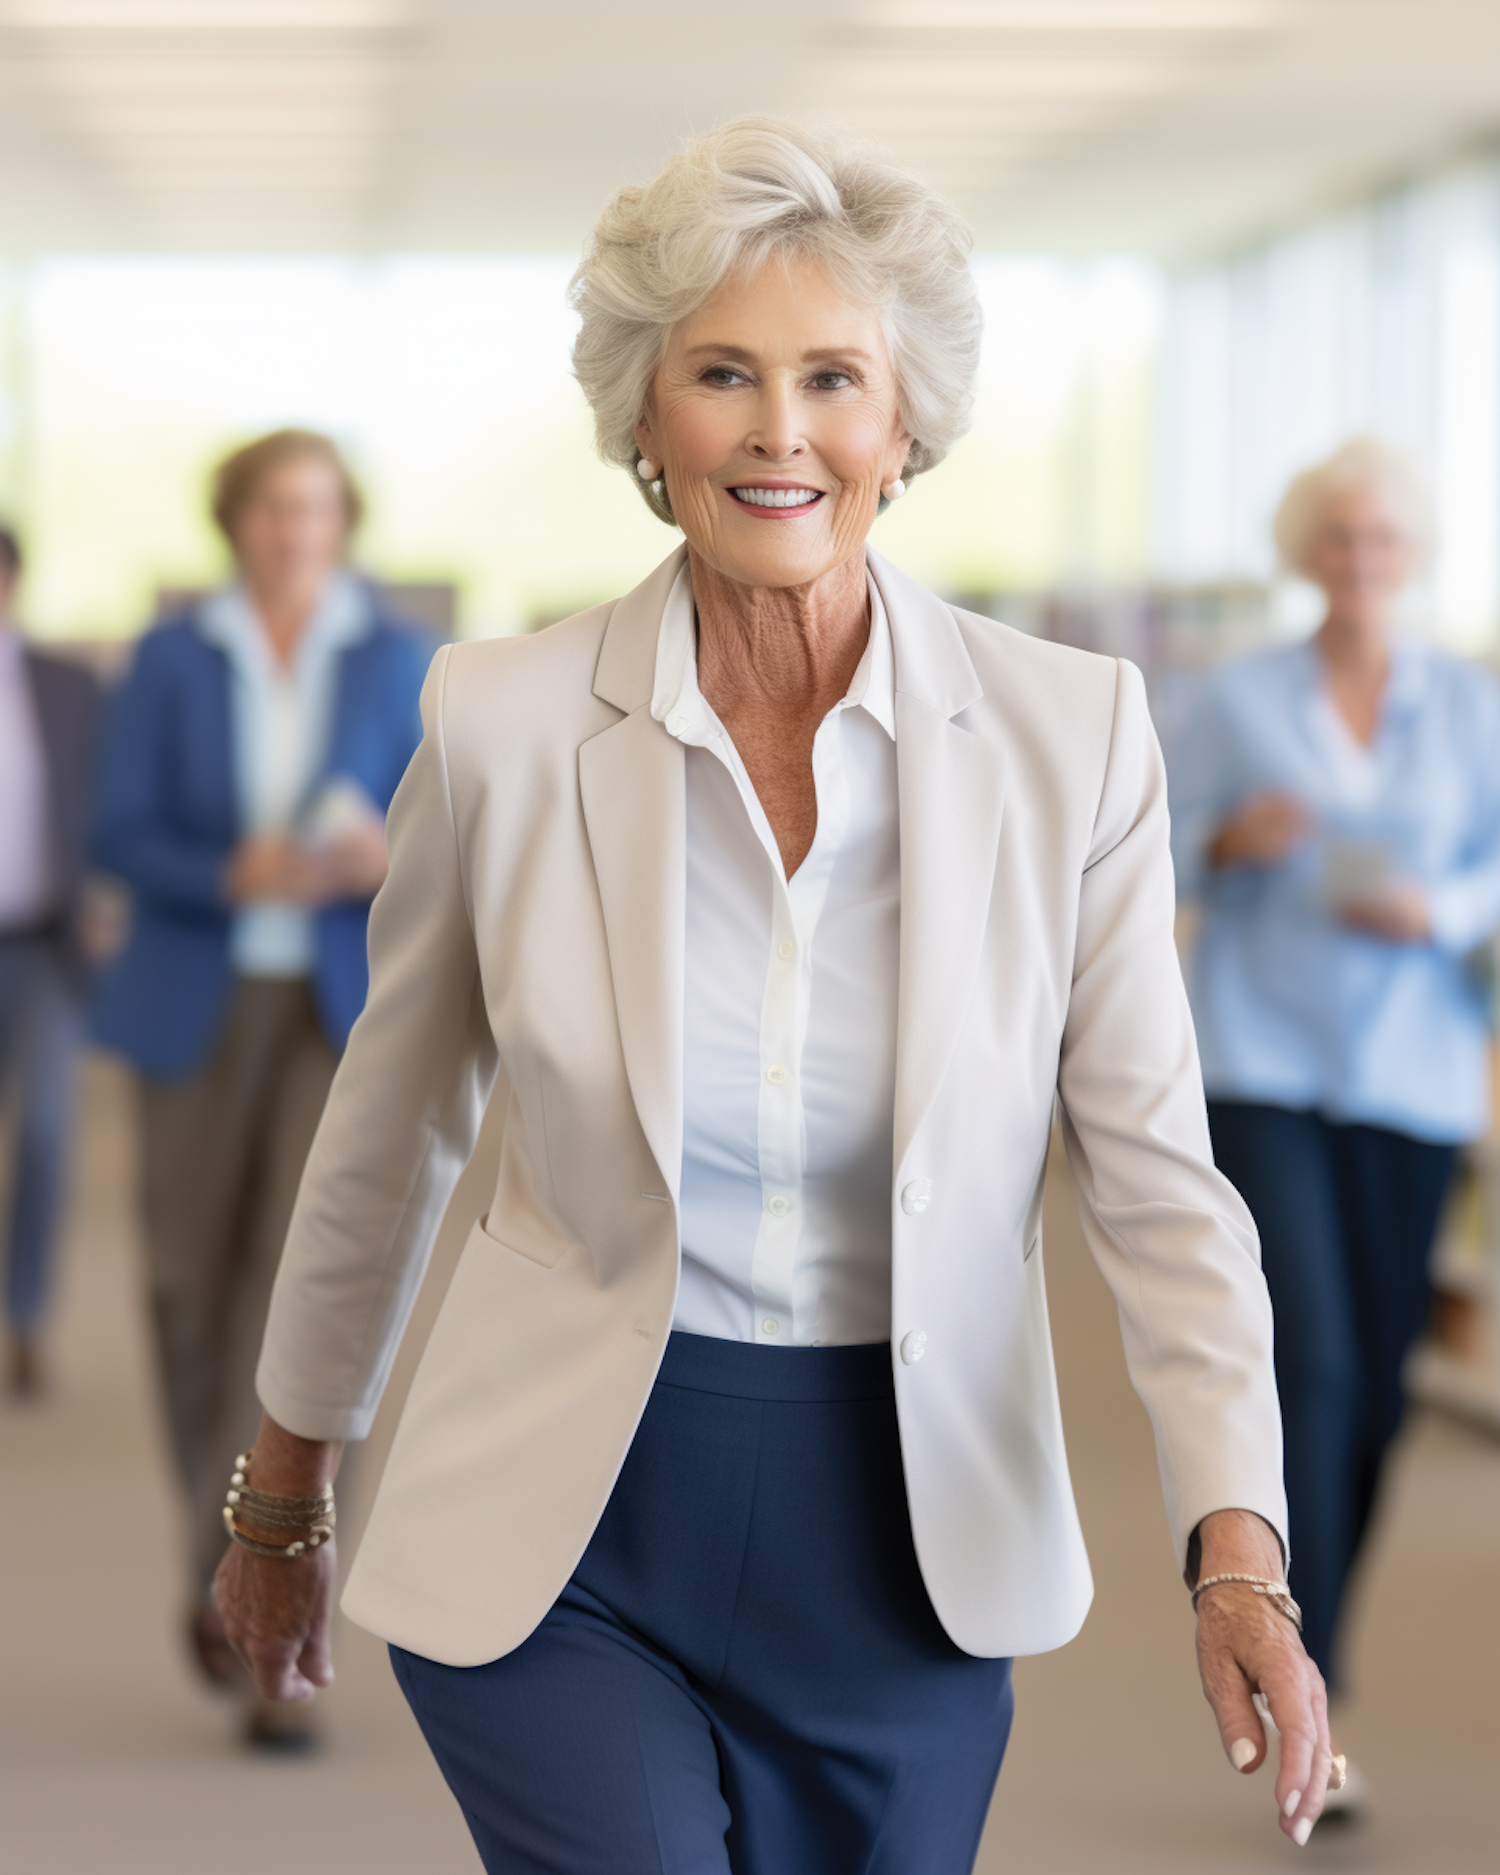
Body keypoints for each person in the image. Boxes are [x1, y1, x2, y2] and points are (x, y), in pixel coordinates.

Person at [216, 121, 1331, 1866]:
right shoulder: (503, 725)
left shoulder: (1070, 735)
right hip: (565, 1535)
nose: (779, 430)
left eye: (833, 377)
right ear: (648, 423)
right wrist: (281, 1497)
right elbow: (391, 1131)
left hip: (904, 1543)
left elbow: (1157, 1183)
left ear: (906, 425)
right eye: (722, 374)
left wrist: (1238, 1545)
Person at [1170, 437, 1500, 1808]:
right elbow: (1153, 845)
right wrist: (1226, 846)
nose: (1360, 561)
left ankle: (1326, 1661)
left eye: (1382, 539)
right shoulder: (1234, 696)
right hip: (1262, 1056)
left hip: (1414, 1071)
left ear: (1409, 553)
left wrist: (1449, 911)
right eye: (1338, 538)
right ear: (1306, 552)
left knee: (1370, 1391)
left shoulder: (1467, 703)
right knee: (1307, 1361)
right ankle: (1297, 1672)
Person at [90, 430, 431, 1747]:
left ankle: (273, 1586)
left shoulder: (395, 655)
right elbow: (115, 830)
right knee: (188, 1285)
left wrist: (374, 859)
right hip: (196, 996)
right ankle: (210, 1552)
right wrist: (229, 870)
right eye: (273, 509)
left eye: (318, 509)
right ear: (234, 521)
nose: (295, 530)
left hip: (337, 1010)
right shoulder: (176, 657)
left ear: (346, 522)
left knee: (301, 1284)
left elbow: (442, 821)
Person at [0, 522, 100, 1398]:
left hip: (42, 947)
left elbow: (103, 808)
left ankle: (24, 1318)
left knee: (44, 1135)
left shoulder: (67, 686)